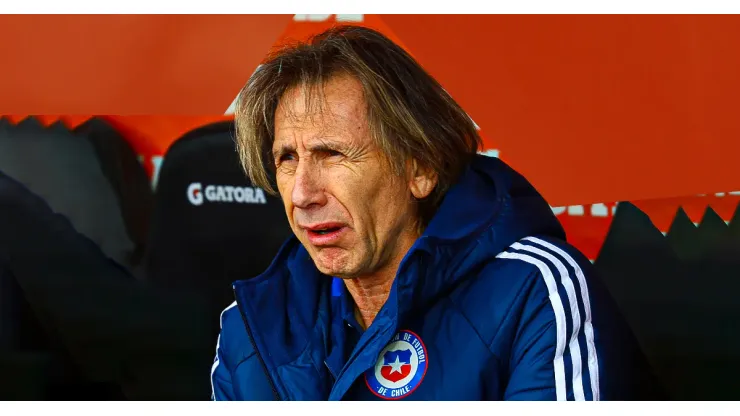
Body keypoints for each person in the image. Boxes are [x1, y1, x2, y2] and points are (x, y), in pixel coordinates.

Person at [211, 25, 661, 401]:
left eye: (332, 154)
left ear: (421, 168)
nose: (303, 194)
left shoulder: (536, 291)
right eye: (287, 159)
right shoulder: (248, 324)